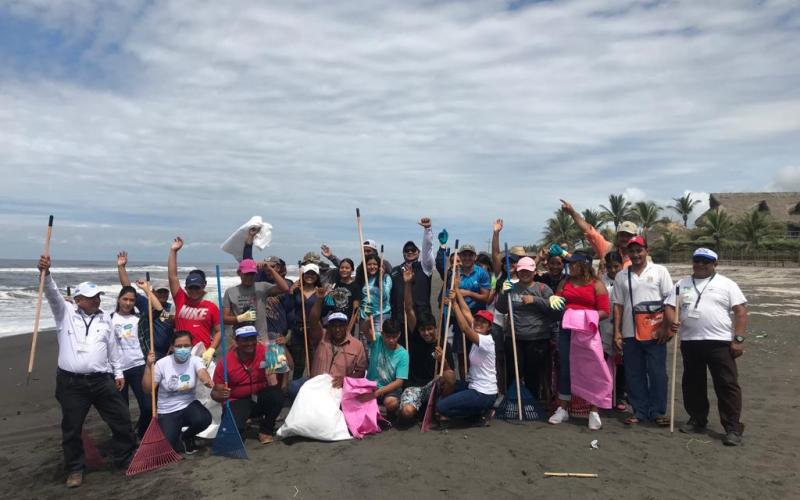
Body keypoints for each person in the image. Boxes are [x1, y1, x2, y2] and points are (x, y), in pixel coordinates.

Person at [39, 255, 136, 488]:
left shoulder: (105, 319)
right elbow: (51, 293)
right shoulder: (65, 314)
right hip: (72, 384)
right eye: (91, 298)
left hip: (102, 380)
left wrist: (119, 373)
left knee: (122, 419)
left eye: (98, 297)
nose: (96, 301)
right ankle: (75, 469)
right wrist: (45, 272)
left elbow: (112, 348)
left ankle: (124, 458)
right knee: (72, 428)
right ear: (78, 299)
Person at [665, 248, 748, 446]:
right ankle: (697, 419)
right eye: (697, 260)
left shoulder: (727, 284)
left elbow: (741, 311)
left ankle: (733, 428)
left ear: (715, 264)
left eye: (706, 261)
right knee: (693, 383)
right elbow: (669, 306)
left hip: (718, 342)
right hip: (690, 341)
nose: (700, 264)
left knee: (727, 384)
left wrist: (738, 339)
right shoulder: (681, 284)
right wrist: (671, 321)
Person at [612, 236, 673, 426]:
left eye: (639, 250)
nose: (636, 254)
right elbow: (618, 306)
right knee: (634, 374)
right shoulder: (622, 275)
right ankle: (639, 411)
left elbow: (669, 301)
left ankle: (657, 411)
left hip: (655, 332)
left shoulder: (660, 271)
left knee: (657, 373)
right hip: (630, 332)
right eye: (632, 251)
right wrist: (617, 332)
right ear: (626, 253)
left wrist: (666, 327)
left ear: (646, 250)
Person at [548, 253, 610, 430]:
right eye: (570, 264)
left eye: (574, 264)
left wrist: (583, 317)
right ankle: (563, 408)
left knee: (591, 368)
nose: (571, 267)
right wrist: (554, 301)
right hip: (567, 330)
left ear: (585, 265)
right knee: (566, 368)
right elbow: (558, 302)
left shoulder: (597, 284)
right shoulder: (565, 282)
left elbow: (605, 311)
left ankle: (594, 409)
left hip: (588, 331)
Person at [211, 325, 286, 444]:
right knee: (234, 440)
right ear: (236, 341)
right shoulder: (224, 362)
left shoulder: (266, 349)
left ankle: (266, 430)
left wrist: (281, 350)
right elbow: (215, 393)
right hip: (237, 399)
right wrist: (221, 395)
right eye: (245, 340)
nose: (250, 343)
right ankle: (240, 423)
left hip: (259, 396)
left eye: (252, 338)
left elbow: (285, 369)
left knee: (277, 395)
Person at [398, 265, 454, 422]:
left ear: (435, 328)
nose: (426, 333)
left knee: (449, 376)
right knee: (406, 415)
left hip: (433, 386)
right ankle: (415, 408)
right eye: (423, 330)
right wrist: (408, 283)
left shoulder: (443, 344)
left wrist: (443, 362)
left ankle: (440, 407)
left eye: (430, 329)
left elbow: (450, 375)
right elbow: (408, 309)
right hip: (414, 386)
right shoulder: (416, 337)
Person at [495, 257, 554, 402]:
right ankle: (512, 402)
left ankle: (532, 402)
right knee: (513, 372)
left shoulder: (543, 288)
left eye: (528, 270)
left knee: (532, 374)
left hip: (537, 338)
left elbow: (554, 308)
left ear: (534, 271)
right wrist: (503, 293)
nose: (525, 273)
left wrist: (535, 300)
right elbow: (501, 308)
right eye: (522, 271)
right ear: (517, 271)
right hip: (514, 338)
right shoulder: (511, 287)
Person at [142, 331, 213, 454]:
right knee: (169, 448)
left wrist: (206, 380)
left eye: (186, 346)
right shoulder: (162, 363)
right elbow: (147, 389)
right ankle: (175, 435)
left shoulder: (195, 360)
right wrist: (148, 366)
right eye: (179, 346)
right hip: (167, 410)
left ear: (191, 346)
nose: (183, 349)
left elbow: (202, 372)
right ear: (172, 347)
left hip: (188, 404)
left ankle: (185, 437)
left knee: (204, 419)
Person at [436, 287, 497, 423]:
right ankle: (477, 411)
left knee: (441, 407)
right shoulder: (478, 334)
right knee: (444, 384)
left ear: (489, 327)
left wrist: (454, 305)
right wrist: (457, 290)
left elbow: (464, 328)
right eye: (478, 320)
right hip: (473, 385)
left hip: (483, 393)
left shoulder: (486, 341)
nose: (479, 323)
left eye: (484, 322)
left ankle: (478, 416)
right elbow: (466, 312)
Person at [167, 237, 220, 365]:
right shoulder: (181, 299)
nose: (194, 291)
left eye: (198, 287)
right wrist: (173, 251)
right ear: (186, 288)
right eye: (191, 288)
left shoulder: (211, 306)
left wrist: (212, 349)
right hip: (181, 352)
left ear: (203, 286)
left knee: (204, 384)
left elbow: (219, 331)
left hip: (203, 354)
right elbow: (172, 276)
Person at [110, 284, 151, 438]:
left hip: (139, 366)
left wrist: (147, 290)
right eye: (125, 299)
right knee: (121, 409)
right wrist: (71, 304)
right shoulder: (109, 319)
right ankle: (126, 438)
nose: (128, 303)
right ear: (119, 300)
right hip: (117, 370)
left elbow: (158, 311)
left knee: (147, 406)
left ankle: (142, 434)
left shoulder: (140, 318)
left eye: (132, 300)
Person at [117, 251, 174, 359]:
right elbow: (127, 288)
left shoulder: (171, 308)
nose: (162, 294)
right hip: (149, 352)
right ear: (153, 292)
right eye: (160, 291)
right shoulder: (145, 303)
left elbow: (174, 326)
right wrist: (121, 268)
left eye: (165, 292)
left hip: (167, 353)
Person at [222, 258, 289, 343]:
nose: (249, 277)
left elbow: (285, 288)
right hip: (240, 340)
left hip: (261, 339)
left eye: (252, 274)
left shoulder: (262, 287)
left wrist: (270, 270)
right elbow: (224, 319)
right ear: (239, 273)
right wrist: (240, 318)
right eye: (246, 274)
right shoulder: (230, 292)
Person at [389, 217, 437, 331]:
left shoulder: (425, 267)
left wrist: (427, 230)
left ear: (418, 252)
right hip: (399, 319)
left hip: (421, 319)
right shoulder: (395, 271)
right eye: (407, 250)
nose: (410, 252)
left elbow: (428, 249)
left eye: (413, 250)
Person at [560, 199, 638, 267]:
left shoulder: (639, 258)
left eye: (629, 235)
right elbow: (589, 230)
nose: (625, 238)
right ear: (618, 236)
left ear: (635, 237)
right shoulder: (608, 249)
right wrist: (572, 212)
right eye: (622, 235)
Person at [363, 318, 409, 419]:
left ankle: (390, 412)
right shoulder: (377, 339)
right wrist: (368, 319)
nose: (391, 340)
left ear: (399, 334)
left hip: (389, 389)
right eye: (388, 337)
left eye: (394, 337)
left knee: (391, 403)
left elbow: (399, 382)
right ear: (382, 334)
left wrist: (379, 392)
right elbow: (365, 330)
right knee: (357, 398)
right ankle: (374, 409)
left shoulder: (403, 354)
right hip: (371, 385)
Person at [601, 251, 627, 411]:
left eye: (616, 266)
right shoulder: (600, 282)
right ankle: (605, 395)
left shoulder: (627, 280)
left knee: (621, 364)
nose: (612, 270)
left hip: (624, 327)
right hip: (604, 327)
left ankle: (619, 396)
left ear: (622, 265)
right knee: (604, 363)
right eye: (609, 267)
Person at [288, 263, 323, 379]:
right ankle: (296, 390)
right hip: (298, 330)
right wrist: (291, 292)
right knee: (299, 363)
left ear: (317, 276)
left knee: (315, 361)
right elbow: (288, 307)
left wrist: (323, 297)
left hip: (314, 330)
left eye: (313, 274)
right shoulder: (297, 290)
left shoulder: (320, 292)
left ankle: (314, 386)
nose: (310, 276)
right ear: (302, 275)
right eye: (307, 273)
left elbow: (326, 311)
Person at [321, 257, 361, 335]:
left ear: (352, 270)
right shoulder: (335, 284)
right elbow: (329, 304)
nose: (344, 270)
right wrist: (327, 296)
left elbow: (355, 310)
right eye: (342, 268)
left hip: (347, 322)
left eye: (347, 268)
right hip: (334, 321)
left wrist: (349, 328)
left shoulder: (355, 286)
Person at [356, 253, 392, 336]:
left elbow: (385, 297)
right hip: (365, 315)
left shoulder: (386, 277)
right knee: (365, 342)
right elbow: (360, 298)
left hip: (381, 315)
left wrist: (380, 280)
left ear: (379, 265)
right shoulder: (363, 278)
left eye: (375, 264)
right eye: (369, 264)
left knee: (378, 342)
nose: (372, 267)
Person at [321, 240, 392, 274]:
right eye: (364, 251)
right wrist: (331, 256)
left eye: (368, 251)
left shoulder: (384, 263)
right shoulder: (361, 266)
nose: (365, 253)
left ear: (375, 252)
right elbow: (347, 267)